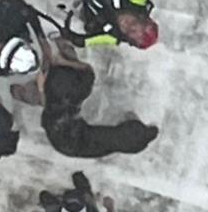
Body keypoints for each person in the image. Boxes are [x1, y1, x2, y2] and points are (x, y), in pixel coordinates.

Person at [11, 36, 159, 158]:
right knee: (75, 88)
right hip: (68, 130)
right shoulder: (82, 84)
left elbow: (52, 109)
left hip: (63, 131)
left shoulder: (66, 94)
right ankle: (60, 58)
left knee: (62, 96)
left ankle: (25, 91)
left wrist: (42, 86)